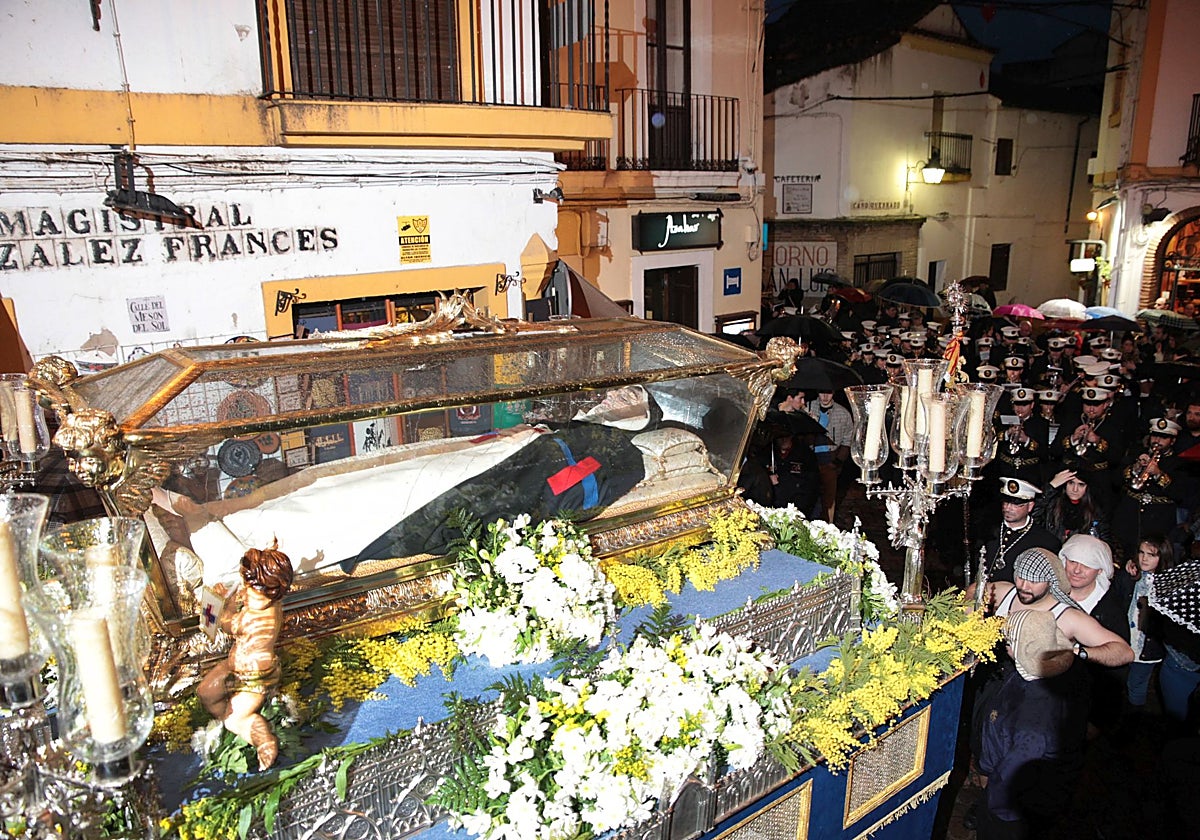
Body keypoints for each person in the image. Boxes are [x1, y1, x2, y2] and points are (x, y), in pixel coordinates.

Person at [197, 544, 295, 770]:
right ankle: (224, 720)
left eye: (248, 589)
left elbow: (226, 624)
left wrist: (220, 604)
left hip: (255, 679)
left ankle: (263, 740)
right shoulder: (268, 604)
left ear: (267, 591)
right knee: (206, 691)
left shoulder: (256, 618)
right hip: (235, 668)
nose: (242, 592)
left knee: (236, 717)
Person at [981, 478, 1062, 583]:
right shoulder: (987, 530)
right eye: (1006, 502)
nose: (1008, 508)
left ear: (1030, 506)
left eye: (1016, 504)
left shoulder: (1046, 542)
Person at [1125, 534, 1172, 709]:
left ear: (1162, 557)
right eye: (1141, 552)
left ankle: (1133, 718)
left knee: (1136, 684)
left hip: (1147, 646)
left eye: (1151, 555)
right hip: (1128, 637)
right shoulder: (1136, 575)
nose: (1144, 558)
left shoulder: (1166, 585)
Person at [805, 390, 853, 522]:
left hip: (830, 458)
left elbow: (848, 439)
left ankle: (828, 525)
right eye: (822, 392)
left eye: (829, 393)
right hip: (809, 457)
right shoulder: (807, 407)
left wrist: (838, 461)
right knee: (808, 494)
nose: (825, 397)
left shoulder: (843, 413)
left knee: (829, 498)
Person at [1034, 466, 1111, 544]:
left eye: (1081, 485)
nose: (1075, 489)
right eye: (1071, 483)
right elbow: (1032, 514)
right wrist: (1051, 486)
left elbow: (1104, 542)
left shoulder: (1095, 511)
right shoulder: (1051, 505)